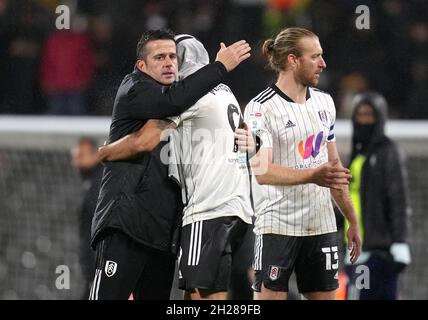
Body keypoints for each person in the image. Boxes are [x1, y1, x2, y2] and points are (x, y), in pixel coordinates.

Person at [89, 29, 250, 300]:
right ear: (142, 65)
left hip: (164, 235)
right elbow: (145, 138)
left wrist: (251, 140)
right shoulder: (135, 87)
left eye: (173, 57)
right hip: (128, 225)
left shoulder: (188, 98)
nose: (168, 63)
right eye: (160, 57)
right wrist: (103, 153)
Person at [244, 27, 362, 300]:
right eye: (315, 57)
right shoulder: (261, 108)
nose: (323, 63)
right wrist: (313, 174)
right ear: (292, 60)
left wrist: (352, 220)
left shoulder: (325, 103)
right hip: (277, 227)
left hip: (320, 225)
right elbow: (262, 172)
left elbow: (333, 169)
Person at [344, 91, 411, 300]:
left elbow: (398, 200)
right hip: (356, 252)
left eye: (369, 115)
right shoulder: (356, 157)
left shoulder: (388, 152)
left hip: (378, 253)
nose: (364, 120)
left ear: (379, 118)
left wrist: (400, 242)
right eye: (360, 115)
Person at [70, 137, 103, 299]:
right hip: (96, 268)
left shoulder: (98, 186)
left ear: (96, 155)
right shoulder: (92, 184)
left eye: (81, 156)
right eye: (75, 157)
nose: (76, 163)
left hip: (100, 267)